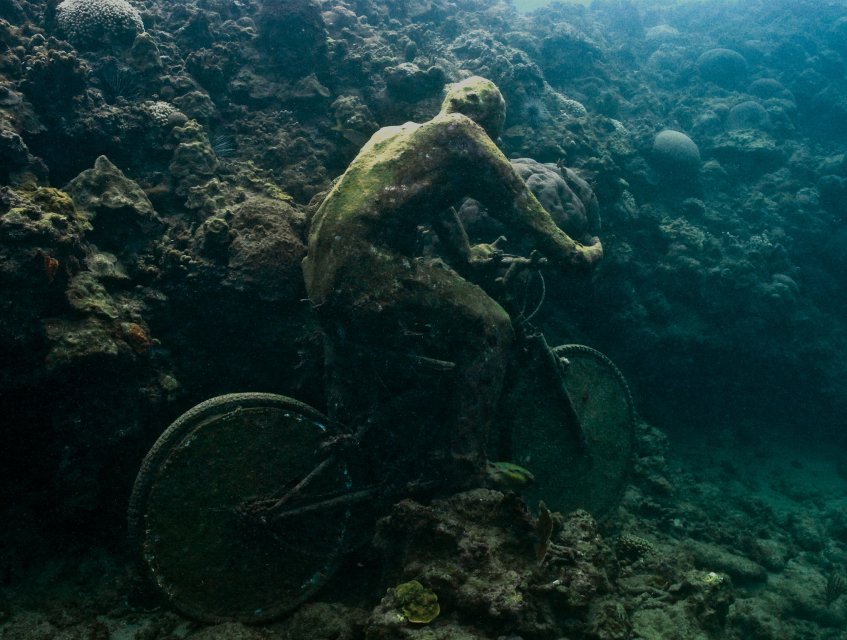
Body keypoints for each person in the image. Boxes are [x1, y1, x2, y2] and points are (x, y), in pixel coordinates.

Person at [302, 76, 602, 490]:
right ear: (490, 116)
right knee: (492, 327)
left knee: (363, 363)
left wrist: (466, 253)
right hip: (366, 268)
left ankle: (351, 460)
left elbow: (433, 200)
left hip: (320, 269)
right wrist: (577, 255)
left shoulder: (394, 134)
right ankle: (463, 464)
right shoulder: (466, 135)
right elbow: (521, 207)